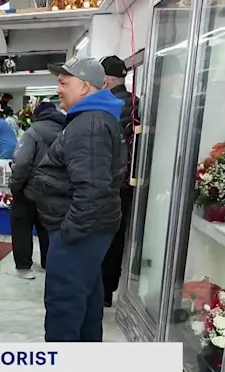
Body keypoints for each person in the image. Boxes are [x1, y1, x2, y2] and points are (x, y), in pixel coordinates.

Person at [23, 57, 126, 372]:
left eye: (64, 83)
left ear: (85, 86)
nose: (58, 89)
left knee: (65, 296)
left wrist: (69, 232)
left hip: (81, 228)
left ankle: (60, 369)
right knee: (87, 293)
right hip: (90, 226)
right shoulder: (93, 119)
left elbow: (92, 189)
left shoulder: (90, 125)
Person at [100, 55, 140, 308]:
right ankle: (108, 288)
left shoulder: (107, 105)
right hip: (129, 182)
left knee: (103, 238)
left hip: (111, 183)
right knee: (118, 237)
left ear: (105, 79)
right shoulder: (136, 103)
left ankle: (101, 291)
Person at [8, 102, 65, 279]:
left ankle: (24, 267)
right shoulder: (66, 132)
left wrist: (15, 185)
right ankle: (49, 263)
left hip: (30, 190)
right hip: (55, 191)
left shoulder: (32, 132)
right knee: (48, 228)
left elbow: (22, 162)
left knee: (22, 227)